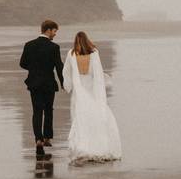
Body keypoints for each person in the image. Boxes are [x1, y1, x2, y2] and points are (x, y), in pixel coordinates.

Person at [62, 31, 122, 163]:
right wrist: (103, 85)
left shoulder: (71, 54)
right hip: (91, 88)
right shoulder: (94, 53)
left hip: (79, 89)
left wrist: (68, 86)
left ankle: (83, 146)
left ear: (76, 42)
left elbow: (66, 72)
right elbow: (98, 73)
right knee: (95, 115)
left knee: (81, 117)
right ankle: (98, 145)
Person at [19, 19, 65, 158]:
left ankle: (38, 139)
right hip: (48, 83)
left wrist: (34, 69)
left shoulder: (29, 45)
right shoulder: (54, 47)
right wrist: (63, 83)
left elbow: (22, 63)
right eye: (55, 31)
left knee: (37, 111)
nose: (55, 34)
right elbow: (59, 67)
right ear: (48, 30)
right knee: (48, 110)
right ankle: (47, 138)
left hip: (34, 83)